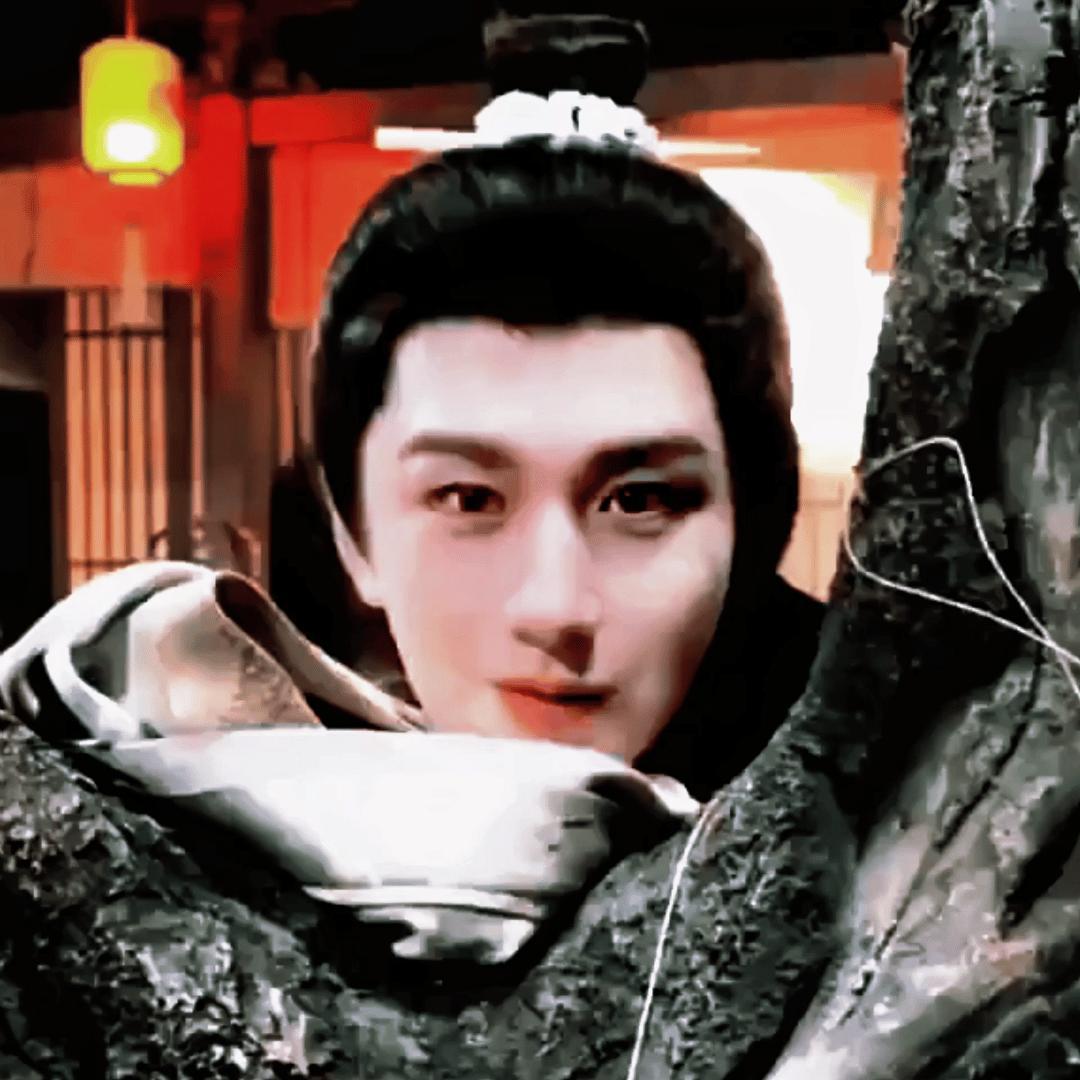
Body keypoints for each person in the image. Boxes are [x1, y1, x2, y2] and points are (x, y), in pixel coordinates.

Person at [0, 9, 823, 963]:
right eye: (470, 500)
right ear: (353, 534)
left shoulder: (884, 844)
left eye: (639, 501)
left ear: (748, 522)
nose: (555, 608)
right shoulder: (178, 828)